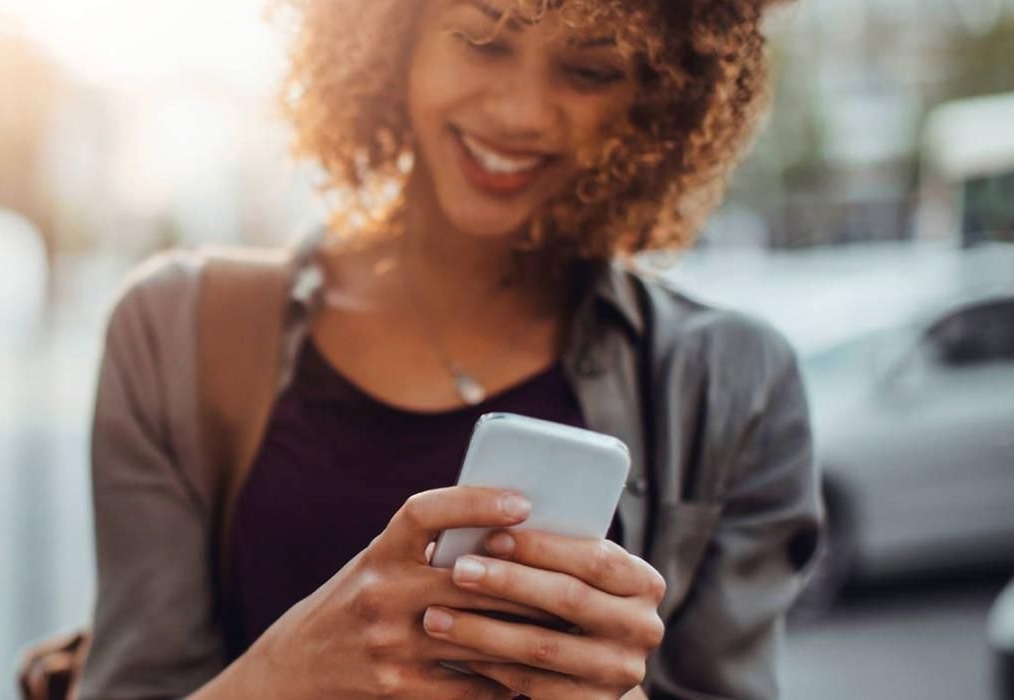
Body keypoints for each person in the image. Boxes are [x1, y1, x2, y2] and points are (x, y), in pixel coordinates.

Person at [81, 0, 822, 698]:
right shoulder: (176, 332)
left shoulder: (737, 385)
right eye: (482, 40)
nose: (520, 113)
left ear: (660, 96)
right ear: (389, 31)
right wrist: (286, 673)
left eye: (591, 70)